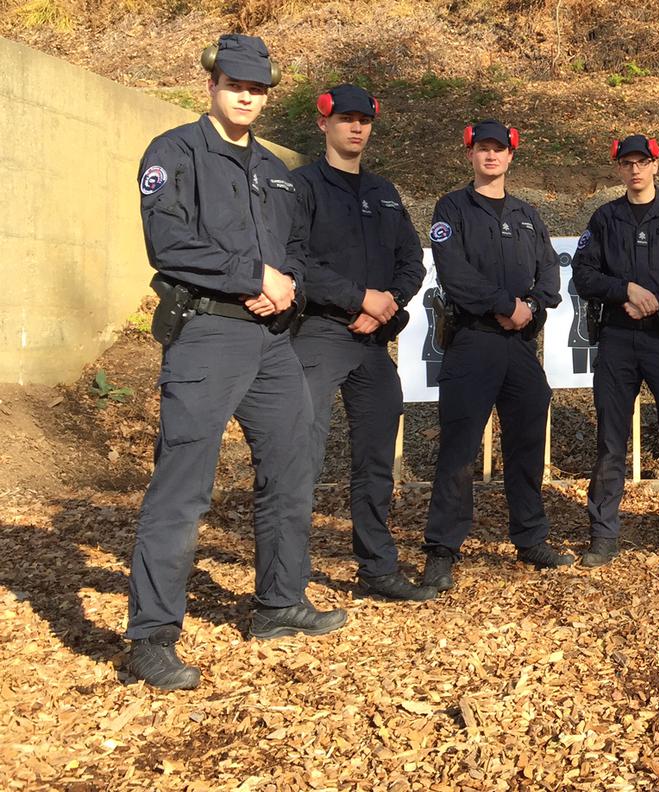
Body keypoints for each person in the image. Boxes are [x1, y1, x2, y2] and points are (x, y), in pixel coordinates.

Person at [127, 35, 346, 690]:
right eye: (234, 83)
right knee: (183, 485)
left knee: (292, 465)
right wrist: (251, 274)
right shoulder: (174, 153)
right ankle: (151, 637)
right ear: (212, 85)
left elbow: (298, 252)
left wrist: (290, 287)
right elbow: (167, 244)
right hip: (208, 335)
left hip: (273, 342)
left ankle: (278, 604)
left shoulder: (277, 171)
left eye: (258, 87)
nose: (246, 95)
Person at [290, 84, 432, 601]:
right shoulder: (300, 186)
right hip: (318, 336)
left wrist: (385, 303)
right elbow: (295, 261)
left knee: (375, 462)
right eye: (345, 118)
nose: (356, 127)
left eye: (364, 120)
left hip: (372, 344)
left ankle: (376, 568)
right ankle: (288, 580)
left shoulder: (385, 192)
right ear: (323, 122)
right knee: (299, 457)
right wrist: (358, 299)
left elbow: (412, 262)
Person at [420, 119, 567, 589]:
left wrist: (532, 308)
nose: (490, 157)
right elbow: (454, 273)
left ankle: (530, 538)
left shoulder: (527, 214)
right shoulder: (452, 208)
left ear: (510, 156)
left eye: (498, 150)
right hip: (473, 341)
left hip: (520, 346)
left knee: (526, 444)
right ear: (470, 155)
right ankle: (442, 548)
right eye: (482, 149)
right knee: (459, 449)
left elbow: (550, 274)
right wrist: (506, 306)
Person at [571, 135, 659, 567]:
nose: (635, 170)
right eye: (627, 163)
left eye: (643, 162)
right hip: (617, 339)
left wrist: (657, 297)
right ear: (618, 169)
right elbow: (583, 274)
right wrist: (625, 290)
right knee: (611, 442)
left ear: (656, 164)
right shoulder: (605, 217)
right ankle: (603, 535)